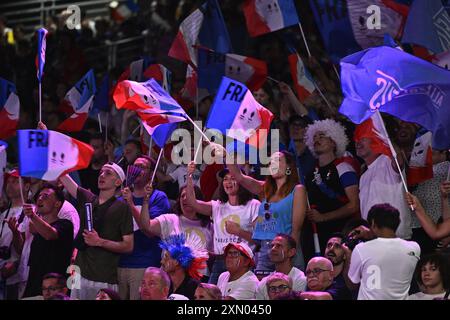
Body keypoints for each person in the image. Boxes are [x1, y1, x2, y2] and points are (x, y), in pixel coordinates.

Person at [59, 162, 134, 300]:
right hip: (79, 273)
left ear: (118, 182)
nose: (102, 175)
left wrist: (99, 242)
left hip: (103, 277)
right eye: (101, 172)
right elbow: (63, 176)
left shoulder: (122, 208)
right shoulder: (87, 198)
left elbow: (128, 246)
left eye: (108, 173)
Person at [227, 149, 307, 273]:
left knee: (286, 289)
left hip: (286, 249)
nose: (273, 164)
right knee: (262, 291)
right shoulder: (265, 189)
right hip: (265, 250)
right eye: (270, 162)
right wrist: (226, 155)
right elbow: (239, 177)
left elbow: (296, 229)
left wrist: (289, 255)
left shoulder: (297, 189)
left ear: (288, 167)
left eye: (278, 160)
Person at [186, 164, 260, 284]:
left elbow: (258, 240)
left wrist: (239, 231)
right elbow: (192, 203)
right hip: (220, 261)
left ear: (242, 181)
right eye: (225, 179)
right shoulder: (217, 206)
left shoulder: (254, 205)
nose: (228, 182)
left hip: (242, 261)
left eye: (233, 178)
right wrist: (189, 176)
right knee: (210, 296)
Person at [302, 119, 360, 261]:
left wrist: (323, 217)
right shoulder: (310, 173)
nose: (316, 139)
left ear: (334, 142)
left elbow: (353, 206)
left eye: (322, 136)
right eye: (314, 137)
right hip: (316, 235)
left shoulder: (344, 168)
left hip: (339, 234)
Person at [119, 155, 170, 300]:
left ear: (151, 173)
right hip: (120, 263)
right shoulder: (121, 198)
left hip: (144, 264)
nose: (137, 170)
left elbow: (148, 231)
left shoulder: (159, 197)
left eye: (143, 167)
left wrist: (130, 203)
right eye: (135, 166)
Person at [346, 204, 420, 300]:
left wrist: (347, 253)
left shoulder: (361, 249)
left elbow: (352, 284)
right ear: (398, 222)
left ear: (372, 223)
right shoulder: (414, 248)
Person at [354, 121, 411, 239]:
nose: (358, 142)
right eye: (356, 139)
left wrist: (385, 138)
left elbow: (398, 162)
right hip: (372, 240)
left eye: (363, 138)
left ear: (376, 139)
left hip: (396, 238)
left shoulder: (387, 161)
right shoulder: (363, 177)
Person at [22, 185, 74, 298]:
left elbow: (50, 234)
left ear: (57, 204)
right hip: (35, 285)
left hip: (55, 289)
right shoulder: (38, 229)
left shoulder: (65, 224)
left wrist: (33, 216)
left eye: (45, 196)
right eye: (39, 196)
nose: (40, 198)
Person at [138, 183, 213, 256]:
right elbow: (146, 226)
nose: (185, 198)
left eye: (189, 195)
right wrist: (145, 201)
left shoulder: (209, 226)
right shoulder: (170, 220)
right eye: (182, 196)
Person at [0, 169, 30, 299]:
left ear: (27, 186)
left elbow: (24, 248)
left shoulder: (31, 212)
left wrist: (15, 232)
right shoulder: (2, 214)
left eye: (15, 181)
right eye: (8, 182)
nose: (10, 185)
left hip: (17, 276)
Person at [256, 234, 306, 300]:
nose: (273, 249)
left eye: (279, 246)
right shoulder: (263, 282)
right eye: (272, 246)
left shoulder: (300, 279)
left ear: (291, 252)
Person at [159, 234, 208, 300]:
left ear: (177, 262)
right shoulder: (165, 284)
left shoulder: (193, 287)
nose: (162, 261)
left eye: (166, 258)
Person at [324, 233, 354, 299]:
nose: (331, 249)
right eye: (329, 245)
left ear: (345, 255)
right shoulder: (318, 276)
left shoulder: (347, 283)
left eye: (337, 246)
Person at [286, 115, 315, 184]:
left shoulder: (315, 154)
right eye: (293, 124)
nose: (296, 128)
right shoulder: (283, 154)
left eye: (301, 125)